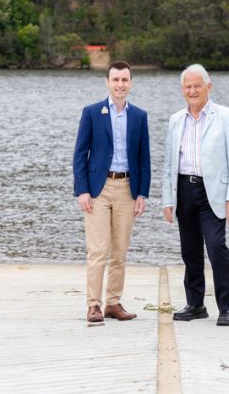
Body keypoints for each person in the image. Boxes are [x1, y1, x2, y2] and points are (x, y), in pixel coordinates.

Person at [162, 64, 229, 326]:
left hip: (214, 191)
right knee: (190, 251)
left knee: (216, 247)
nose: (192, 90)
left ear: (208, 86)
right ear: (182, 90)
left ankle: (227, 308)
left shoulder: (227, 117)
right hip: (184, 189)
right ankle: (196, 304)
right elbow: (168, 164)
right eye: (187, 86)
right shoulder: (176, 120)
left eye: (197, 85)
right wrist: (167, 199)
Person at [73, 60, 151, 324]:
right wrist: (82, 190)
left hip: (127, 189)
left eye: (124, 80)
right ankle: (93, 305)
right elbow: (80, 154)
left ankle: (113, 303)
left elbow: (144, 158)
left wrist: (142, 194)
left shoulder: (139, 116)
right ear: (107, 82)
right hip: (99, 189)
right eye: (115, 80)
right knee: (97, 251)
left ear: (130, 83)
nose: (120, 84)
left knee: (119, 252)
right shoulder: (92, 112)